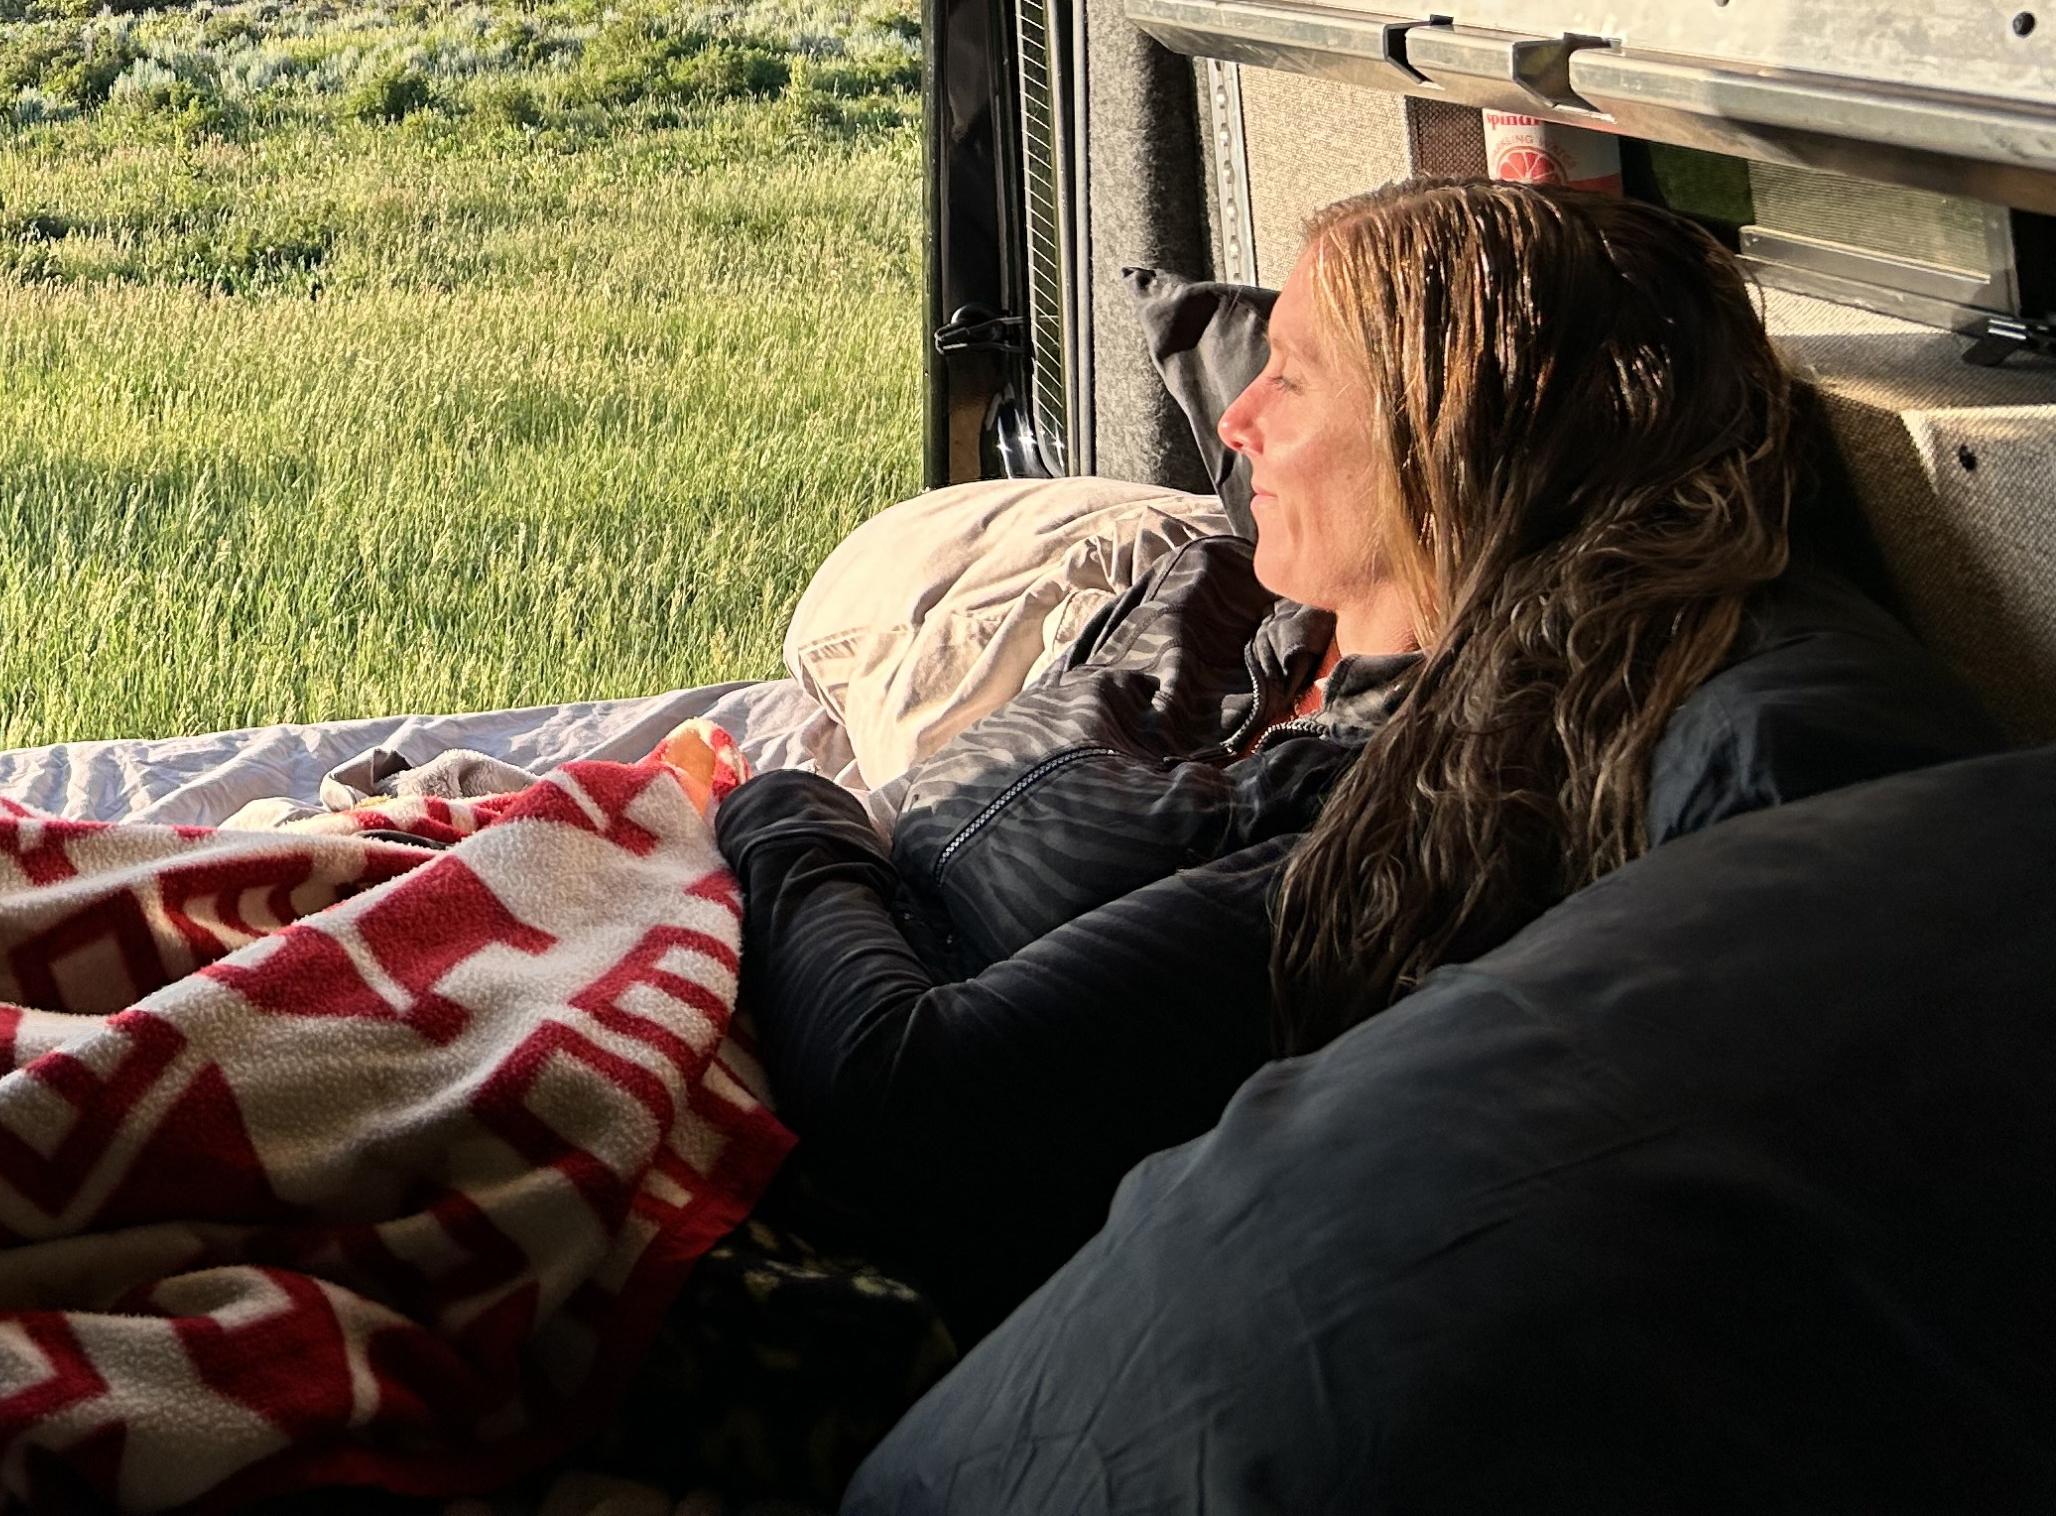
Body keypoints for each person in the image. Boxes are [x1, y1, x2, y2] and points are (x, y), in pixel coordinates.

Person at [713, 178, 1814, 1337]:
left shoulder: (1408, 807)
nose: (1233, 423)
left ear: (1455, 427)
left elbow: (905, 1101)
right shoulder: (1244, 594)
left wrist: (783, 814)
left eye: (1290, 375)